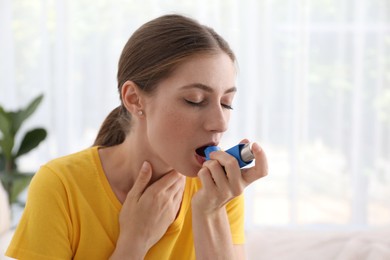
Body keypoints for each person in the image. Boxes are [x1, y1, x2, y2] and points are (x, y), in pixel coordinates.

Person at [6, 14, 268, 260]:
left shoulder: (218, 191)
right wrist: (134, 243)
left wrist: (211, 213)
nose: (219, 122)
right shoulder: (61, 186)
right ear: (134, 99)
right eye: (195, 100)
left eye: (227, 103)